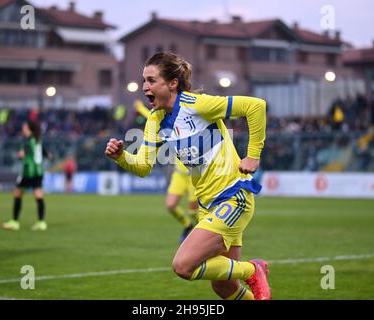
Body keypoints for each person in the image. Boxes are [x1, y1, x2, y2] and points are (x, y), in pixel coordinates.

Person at [105, 52, 271, 300]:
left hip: (233, 197)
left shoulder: (197, 105)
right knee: (224, 286)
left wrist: (253, 156)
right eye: (143, 81)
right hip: (208, 206)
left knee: (183, 265)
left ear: (172, 83)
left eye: (151, 80)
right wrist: (121, 156)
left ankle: (253, 269)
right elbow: (143, 166)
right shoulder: (156, 119)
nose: (144, 87)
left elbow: (255, 106)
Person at [134, 100, 198, 243]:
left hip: (195, 175)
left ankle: (205, 232)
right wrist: (140, 107)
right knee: (170, 205)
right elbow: (153, 116)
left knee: (194, 211)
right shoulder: (171, 126)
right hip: (180, 175)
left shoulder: (195, 126)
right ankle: (188, 226)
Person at [2, 120, 48, 231]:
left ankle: (14, 222)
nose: (23, 127)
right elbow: (45, 152)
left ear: (28, 128)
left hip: (28, 172)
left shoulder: (28, 140)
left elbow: (23, 153)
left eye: (24, 125)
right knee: (38, 195)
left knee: (17, 194)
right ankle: (41, 222)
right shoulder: (37, 139)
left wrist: (20, 154)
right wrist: (48, 155)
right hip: (38, 171)